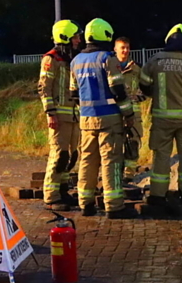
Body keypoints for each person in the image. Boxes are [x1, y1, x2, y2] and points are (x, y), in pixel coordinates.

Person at [70, 18, 139, 219]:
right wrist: (129, 114)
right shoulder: (108, 58)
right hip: (109, 119)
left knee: (87, 160)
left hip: (86, 119)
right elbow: (118, 91)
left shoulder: (75, 61)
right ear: (105, 35)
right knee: (111, 161)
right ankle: (114, 206)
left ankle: (86, 204)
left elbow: (73, 93)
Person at [139, 24, 182, 217]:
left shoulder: (155, 60)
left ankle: (157, 197)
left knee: (161, 156)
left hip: (162, 119)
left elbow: (144, 84)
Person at [38, 20, 82, 209]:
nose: (78, 40)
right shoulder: (51, 59)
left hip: (73, 116)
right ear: (65, 37)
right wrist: (50, 113)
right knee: (59, 155)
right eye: (75, 37)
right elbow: (43, 88)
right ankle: (51, 196)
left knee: (71, 155)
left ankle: (63, 190)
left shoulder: (70, 59)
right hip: (59, 116)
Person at [114, 37, 145, 181]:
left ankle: (129, 176)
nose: (125, 51)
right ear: (115, 49)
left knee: (132, 144)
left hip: (134, 113)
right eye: (122, 48)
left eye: (127, 47)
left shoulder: (137, 68)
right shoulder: (109, 67)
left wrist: (138, 96)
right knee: (114, 144)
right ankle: (114, 176)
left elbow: (147, 86)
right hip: (114, 113)